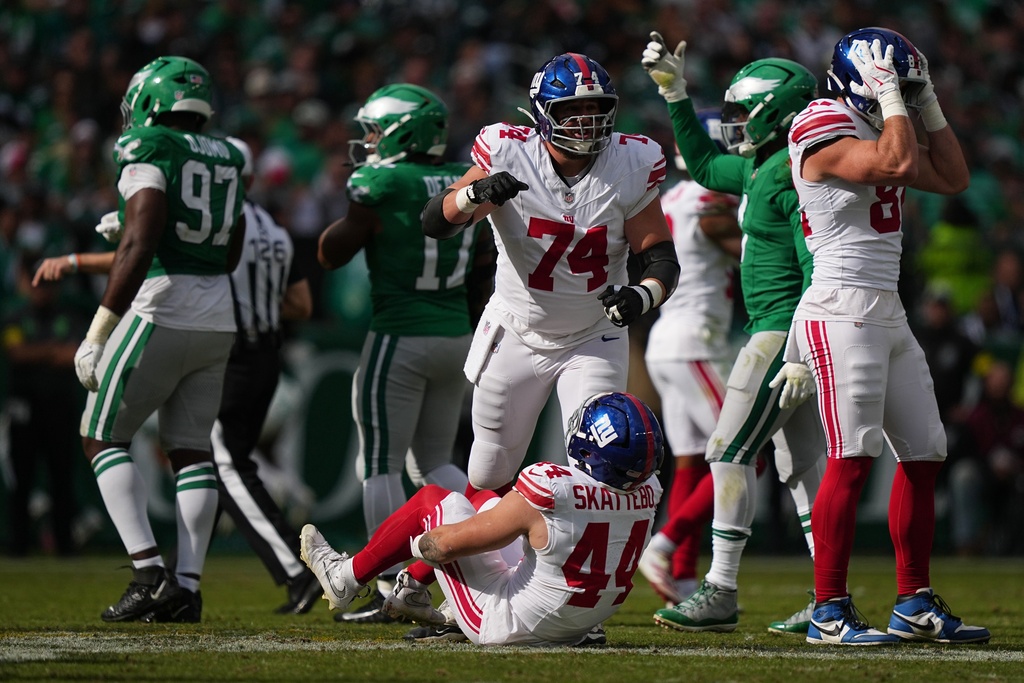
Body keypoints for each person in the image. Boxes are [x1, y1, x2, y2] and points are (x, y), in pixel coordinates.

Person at [35, 137, 322, 615]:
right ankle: (186, 582)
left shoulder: (205, 196)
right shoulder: (272, 226)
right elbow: (301, 304)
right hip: (249, 343)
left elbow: (147, 249)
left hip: (195, 329)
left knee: (119, 440)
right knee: (199, 455)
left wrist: (85, 259)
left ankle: (163, 572)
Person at [786, 27, 990, 645]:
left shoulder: (883, 119)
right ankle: (828, 608)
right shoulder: (817, 121)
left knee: (925, 453)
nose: (896, 95)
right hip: (840, 306)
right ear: (862, 81)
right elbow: (898, 162)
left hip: (887, 309)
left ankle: (914, 600)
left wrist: (925, 104)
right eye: (892, 83)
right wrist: (896, 105)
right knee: (851, 459)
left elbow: (953, 177)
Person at [421, 52, 678, 499]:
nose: (585, 122)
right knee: (487, 472)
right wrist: (473, 195)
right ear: (544, 114)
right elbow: (436, 222)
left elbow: (660, 259)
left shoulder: (629, 163)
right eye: (572, 111)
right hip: (516, 329)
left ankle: (574, 569)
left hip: (591, 336)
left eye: (594, 110)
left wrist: (642, 297)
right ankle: (448, 565)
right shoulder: (508, 152)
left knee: (602, 463)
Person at [639, 33, 827, 635]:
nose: (739, 123)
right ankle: (831, 597)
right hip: (772, 329)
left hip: (780, 331)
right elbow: (701, 163)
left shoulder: (791, 171)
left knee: (726, 451)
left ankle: (718, 589)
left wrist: (799, 342)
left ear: (777, 110)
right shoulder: (764, 163)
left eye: (747, 111)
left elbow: (815, 266)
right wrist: (676, 95)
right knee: (801, 471)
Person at [72, 55, 247, 623]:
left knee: (100, 436)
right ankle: (187, 587)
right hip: (219, 313)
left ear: (148, 102)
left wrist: (100, 329)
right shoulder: (228, 153)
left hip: (160, 308)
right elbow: (232, 244)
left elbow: (140, 242)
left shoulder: (147, 145)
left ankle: (149, 573)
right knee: (191, 449)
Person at [317, 83, 490, 623]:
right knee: (434, 462)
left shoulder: (383, 180)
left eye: (373, 131)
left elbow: (330, 252)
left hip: (400, 334)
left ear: (400, 131)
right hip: (455, 332)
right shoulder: (466, 175)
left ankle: (384, 579)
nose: (367, 142)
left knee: (379, 462)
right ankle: (494, 526)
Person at [299, 391, 664, 646]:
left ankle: (344, 579)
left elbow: (442, 546)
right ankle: (410, 593)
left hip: (507, 622)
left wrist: (415, 544)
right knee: (488, 499)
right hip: (575, 624)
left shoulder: (553, 488)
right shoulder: (650, 492)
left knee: (431, 501)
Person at [638, 110, 741, 606]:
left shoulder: (673, 197)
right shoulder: (712, 201)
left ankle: (679, 577)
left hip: (668, 340)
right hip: (694, 342)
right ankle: (663, 545)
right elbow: (754, 252)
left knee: (691, 466)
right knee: (745, 453)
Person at [2, 252, 88, 556]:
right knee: (22, 478)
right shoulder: (15, 315)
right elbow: (16, 353)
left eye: (49, 284)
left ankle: (65, 544)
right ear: (26, 283)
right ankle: (18, 544)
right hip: (25, 406)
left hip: (59, 407)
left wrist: (38, 352)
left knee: (61, 477)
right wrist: (53, 351)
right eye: (38, 283)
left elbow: (76, 355)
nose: (43, 291)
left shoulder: (69, 315)